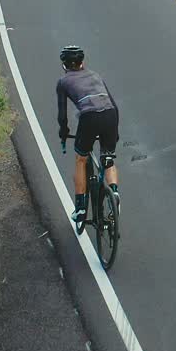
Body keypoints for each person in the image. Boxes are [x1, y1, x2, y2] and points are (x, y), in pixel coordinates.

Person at [55, 45, 119, 223]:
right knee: (108, 158)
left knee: (81, 159)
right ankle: (114, 193)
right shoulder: (95, 75)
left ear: (64, 65)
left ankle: (81, 208)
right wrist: (116, 132)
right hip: (110, 114)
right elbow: (114, 104)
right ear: (83, 63)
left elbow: (62, 115)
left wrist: (64, 132)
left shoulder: (63, 82)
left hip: (89, 117)